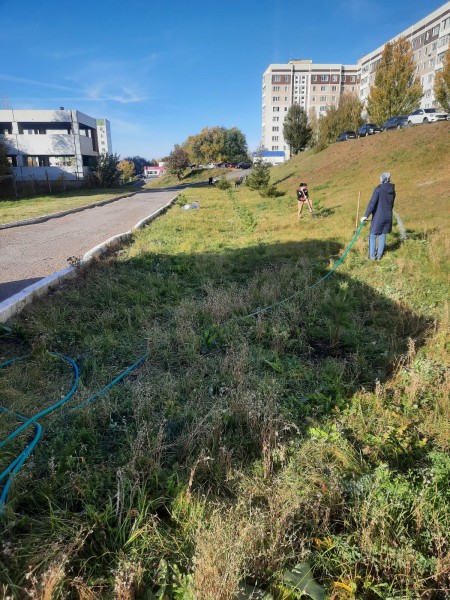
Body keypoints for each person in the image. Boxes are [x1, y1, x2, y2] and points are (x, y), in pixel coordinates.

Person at [361, 172, 396, 260]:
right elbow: (391, 204)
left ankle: (372, 257)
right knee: (382, 234)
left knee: (372, 235)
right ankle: (379, 256)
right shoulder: (392, 190)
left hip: (379, 216)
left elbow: (372, 203)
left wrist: (365, 215)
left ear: (382, 179)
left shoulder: (378, 189)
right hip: (388, 215)